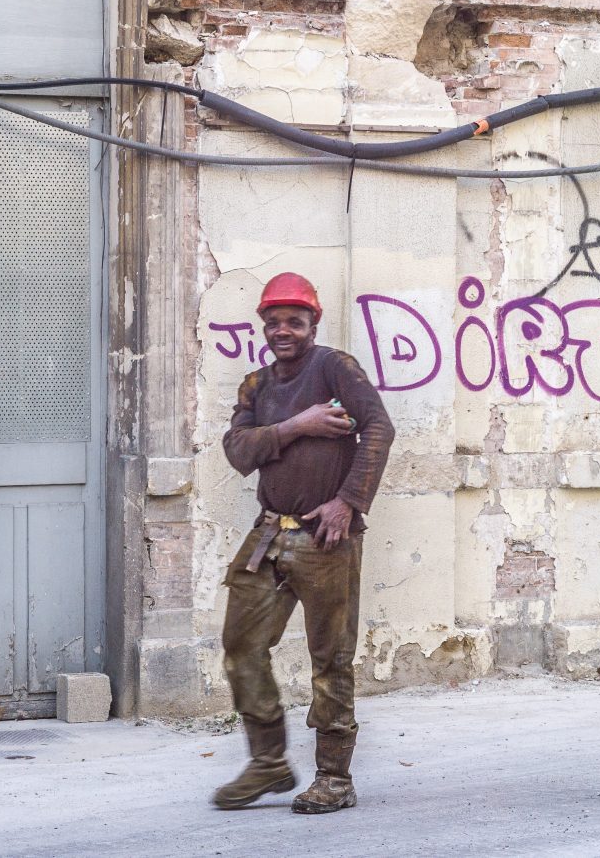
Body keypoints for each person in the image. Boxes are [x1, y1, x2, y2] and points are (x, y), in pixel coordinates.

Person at [211, 272, 395, 815]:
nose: (283, 330)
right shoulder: (256, 385)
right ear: (263, 327)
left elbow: (378, 427)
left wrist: (348, 503)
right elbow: (239, 452)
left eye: (295, 320)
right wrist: (300, 424)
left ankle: (334, 779)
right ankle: (269, 763)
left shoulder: (334, 367)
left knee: (330, 659)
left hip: (325, 537)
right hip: (269, 533)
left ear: (313, 323)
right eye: (274, 322)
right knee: (241, 646)